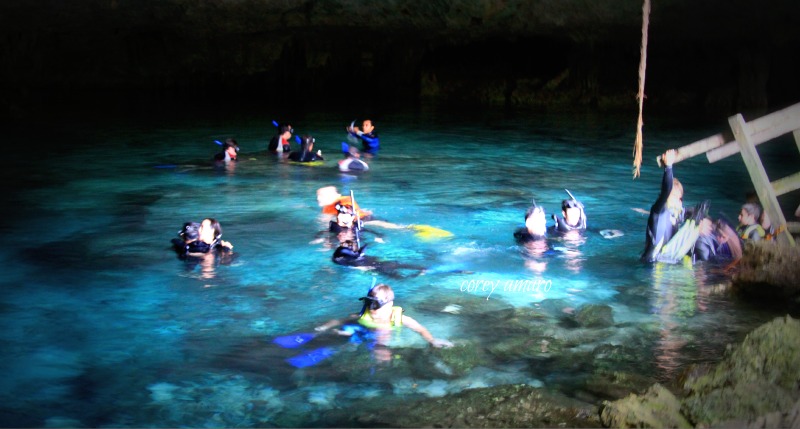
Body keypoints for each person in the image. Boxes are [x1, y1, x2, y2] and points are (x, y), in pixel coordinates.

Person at [314, 283, 453, 349]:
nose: (371, 309)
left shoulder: (400, 318)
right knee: (346, 334)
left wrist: (431, 340)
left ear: (389, 305)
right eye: (368, 303)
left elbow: (420, 329)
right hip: (365, 333)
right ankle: (340, 336)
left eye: (376, 305)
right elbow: (339, 320)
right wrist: (323, 326)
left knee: (382, 352)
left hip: (380, 340)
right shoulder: (362, 315)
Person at [641, 149, 686, 263]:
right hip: (649, 267)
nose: (680, 202)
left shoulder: (676, 215)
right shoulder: (658, 211)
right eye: (678, 198)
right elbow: (666, 190)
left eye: (681, 198)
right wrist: (668, 166)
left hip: (665, 265)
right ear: (669, 196)